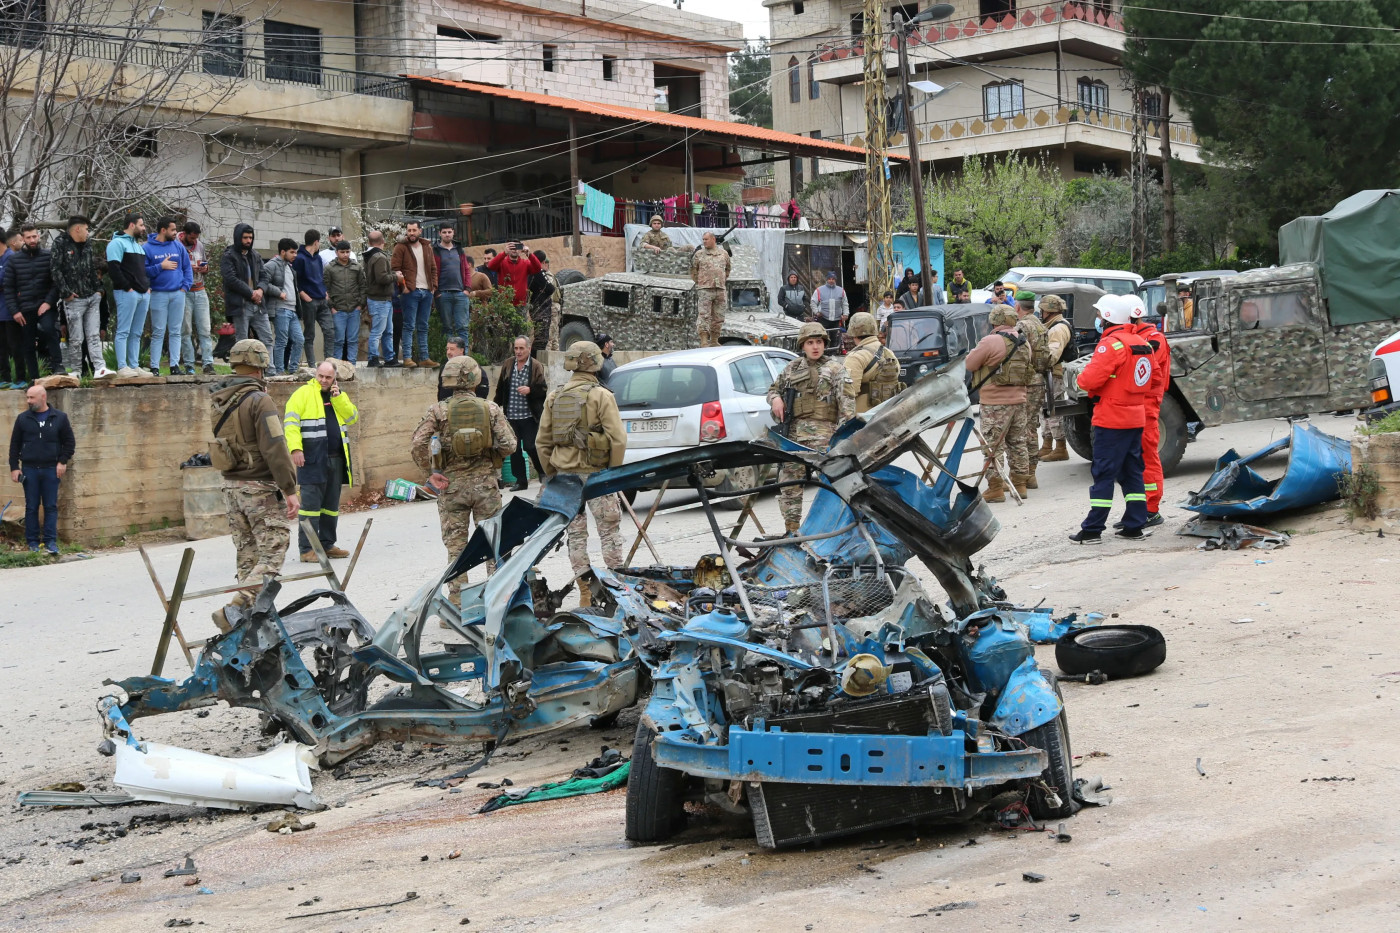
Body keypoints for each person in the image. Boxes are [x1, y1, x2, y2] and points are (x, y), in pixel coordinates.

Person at [207, 339, 300, 629]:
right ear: (260, 364)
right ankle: (233, 609)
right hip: (258, 487)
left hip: (231, 488)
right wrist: (289, 488)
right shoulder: (259, 400)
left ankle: (248, 625)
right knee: (274, 550)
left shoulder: (219, 399)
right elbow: (275, 446)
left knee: (247, 559)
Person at [412, 355, 517, 606]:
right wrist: (492, 456)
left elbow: (418, 443)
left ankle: (457, 604)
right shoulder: (490, 408)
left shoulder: (438, 410)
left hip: (451, 487)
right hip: (485, 487)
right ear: (474, 378)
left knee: (456, 548)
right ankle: (496, 600)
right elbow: (510, 445)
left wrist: (431, 473)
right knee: (493, 542)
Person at [536, 340, 627, 606]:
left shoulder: (555, 396)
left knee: (576, 536)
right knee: (609, 533)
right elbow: (618, 439)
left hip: (566, 477)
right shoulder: (602, 396)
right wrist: (614, 472)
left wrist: (554, 472)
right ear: (595, 362)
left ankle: (586, 593)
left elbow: (542, 443)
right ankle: (616, 591)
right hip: (597, 474)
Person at [1068, 295, 1153, 544]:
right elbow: (1153, 378)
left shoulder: (1111, 345)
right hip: (1136, 416)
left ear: (1107, 318)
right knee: (1133, 472)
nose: (1096, 319)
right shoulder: (1143, 343)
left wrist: (1094, 384)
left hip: (1111, 419)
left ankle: (1093, 529)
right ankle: (1134, 525)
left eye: (1098, 315)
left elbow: (1088, 381)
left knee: (1104, 474)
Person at [767, 322, 855, 533]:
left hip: (826, 437)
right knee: (789, 485)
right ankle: (792, 530)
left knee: (833, 486)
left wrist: (842, 441)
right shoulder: (792, 368)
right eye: (810, 343)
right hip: (794, 436)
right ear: (803, 345)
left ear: (824, 344)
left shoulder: (836, 369)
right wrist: (775, 399)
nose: (815, 347)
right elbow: (772, 389)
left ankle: (833, 529)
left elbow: (847, 408)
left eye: (818, 342)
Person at [285, 360, 358, 561]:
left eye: (328, 377)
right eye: (321, 376)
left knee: (330, 505)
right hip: (311, 457)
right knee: (310, 505)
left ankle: (327, 544)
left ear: (334, 378)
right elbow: (290, 423)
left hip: (335, 457)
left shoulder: (338, 396)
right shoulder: (302, 394)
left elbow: (352, 417)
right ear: (315, 375)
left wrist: (339, 398)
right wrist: (295, 448)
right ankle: (307, 549)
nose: (324, 380)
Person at [964, 305, 1033, 503]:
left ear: (995, 320)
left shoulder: (990, 341)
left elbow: (970, 364)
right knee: (1018, 443)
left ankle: (995, 488)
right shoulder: (1023, 342)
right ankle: (1020, 484)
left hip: (995, 402)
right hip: (1019, 401)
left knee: (993, 446)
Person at [9, 384, 74, 555]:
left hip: (51, 470)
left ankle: (50, 542)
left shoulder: (59, 418)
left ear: (43, 397)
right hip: (29, 470)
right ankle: (32, 542)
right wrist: (14, 467)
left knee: (50, 506)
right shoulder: (23, 419)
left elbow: (69, 443)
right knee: (31, 507)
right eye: (27, 398)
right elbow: (14, 445)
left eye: (32, 397)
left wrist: (62, 461)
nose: (28, 401)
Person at [1125, 294, 1169, 528]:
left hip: (1146, 407)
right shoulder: (1133, 337)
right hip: (1133, 407)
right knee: (1132, 461)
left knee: (1147, 458)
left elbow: (1143, 373)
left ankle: (1151, 509)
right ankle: (1136, 510)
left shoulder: (1153, 340)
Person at [49, 215, 108, 379]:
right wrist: (66, 292)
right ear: (77, 228)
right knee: (76, 338)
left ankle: (100, 368)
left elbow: (91, 268)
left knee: (94, 336)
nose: (88, 232)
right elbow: (55, 270)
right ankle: (76, 370)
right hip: (74, 300)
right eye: (86, 229)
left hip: (91, 297)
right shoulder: (60, 243)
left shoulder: (88, 244)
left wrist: (98, 290)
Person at [3, 224, 60, 382]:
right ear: (23, 239)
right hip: (25, 308)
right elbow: (9, 287)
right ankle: (34, 378)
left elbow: (56, 283)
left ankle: (58, 367)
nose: (32, 240)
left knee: (50, 330)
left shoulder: (49, 256)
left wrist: (48, 302)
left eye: (34, 236)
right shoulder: (14, 260)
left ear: (39, 236)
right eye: (28, 237)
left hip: (45, 305)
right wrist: (15, 311)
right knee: (27, 344)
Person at [494, 335, 547, 490]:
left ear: (529, 349)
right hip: (511, 415)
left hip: (529, 415)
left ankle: (543, 472)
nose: (518, 351)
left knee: (531, 446)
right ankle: (521, 481)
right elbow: (501, 388)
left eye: (521, 348)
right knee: (514, 449)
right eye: (516, 348)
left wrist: (530, 390)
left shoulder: (536, 366)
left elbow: (543, 389)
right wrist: (496, 406)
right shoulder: (508, 364)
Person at [1012, 290, 1052, 490]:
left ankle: (1025, 472)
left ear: (1018, 307)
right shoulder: (1040, 324)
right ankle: (1032, 474)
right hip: (1040, 379)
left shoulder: (1021, 326)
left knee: (1022, 428)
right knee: (1031, 426)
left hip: (1026, 381)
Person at [143, 216, 192, 375]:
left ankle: (174, 366)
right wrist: (161, 266)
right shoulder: (148, 248)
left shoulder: (178, 246)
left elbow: (187, 268)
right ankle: (155, 367)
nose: (176, 233)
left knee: (175, 331)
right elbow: (144, 272)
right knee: (158, 331)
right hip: (158, 294)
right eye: (173, 230)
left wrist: (184, 287)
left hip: (178, 294)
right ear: (163, 230)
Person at [391, 221, 438, 368]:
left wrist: (433, 287)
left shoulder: (427, 247)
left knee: (423, 326)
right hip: (410, 292)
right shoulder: (400, 247)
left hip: (427, 291)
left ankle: (424, 358)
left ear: (420, 231)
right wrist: (403, 287)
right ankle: (407, 358)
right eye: (409, 230)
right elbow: (395, 270)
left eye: (414, 230)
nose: (411, 233)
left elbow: (433, 268)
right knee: (409, 325)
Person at [1037, 294, 1074, 463]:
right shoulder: (1053, 326)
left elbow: (1051, 355)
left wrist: (1037, 363)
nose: (1041, 313)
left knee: (1053, 409)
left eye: (1042, 310)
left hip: (1055, 374)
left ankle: (1060, 447)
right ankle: (1047, 444)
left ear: (1048, 311)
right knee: (1046, 409)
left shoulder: (1057, 329)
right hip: (1051, 374)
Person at [260, 238, 304, 375]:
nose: (295, 255)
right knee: (281, 341)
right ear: (283, 251)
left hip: (292, 309)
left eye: (296, 252)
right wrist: (279, 293)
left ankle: (292, 370)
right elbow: (263, 283)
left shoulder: (289, 267)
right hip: (280, 308)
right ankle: (279, 371)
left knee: (299, 340)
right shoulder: (271, 265)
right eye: (292, 252)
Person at [844, 312, 902, 413]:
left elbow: (848, 393)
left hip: (863, 417)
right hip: (889, 412)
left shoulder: (855, 357)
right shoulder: (889, 353)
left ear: (853, 332)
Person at [177, 222, 214, 374]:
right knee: (186, 330)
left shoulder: (199, 245)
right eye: (192, 238)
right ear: (184, 233)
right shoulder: (176, 245)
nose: (194, 241)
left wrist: (205, 268)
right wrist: (188, 268)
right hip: (184, 291)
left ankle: (208, 364)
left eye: (196, 238)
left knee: (205, 329)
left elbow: (206, 263)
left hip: (200, 290)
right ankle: (189, 364)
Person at [221, 222, 265, 348]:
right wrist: (251, 293)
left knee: (266, 339)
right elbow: (231, 279)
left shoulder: (255, 255)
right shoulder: (229, 256)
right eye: (245, 237)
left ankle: (270, 368)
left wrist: (260, 290)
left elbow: (264, 275)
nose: (248, 241)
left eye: (250, 238)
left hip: (258, 304)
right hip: (240, 305)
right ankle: (241, 367)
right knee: (242, 342)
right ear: (238, 237)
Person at [293, 230, 333, 369]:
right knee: (309, 334)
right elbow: (295, 280)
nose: (319, 244)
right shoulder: (299, 258)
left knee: (330, 331)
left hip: (322, 299)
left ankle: (329, 364)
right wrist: (303, 295)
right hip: (309, 301)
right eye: (319, 242)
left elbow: (320, 277)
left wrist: (325, 292)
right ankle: (311, 365)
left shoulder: (318, 258)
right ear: (316, 242)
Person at [324, 242, 365, 363]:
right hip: (338, 309)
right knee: (338, 341)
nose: (345, 255)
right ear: (337, 252)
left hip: (354, 309)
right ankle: (336, 368)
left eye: (347, 252)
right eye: (342, 252)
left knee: (353, 340)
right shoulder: (330, 268)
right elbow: (325, 288)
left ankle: (352, 367)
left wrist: (360, 304)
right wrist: (332, 307)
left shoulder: (357, 267)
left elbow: (363, 286)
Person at [690, 231, 730, 347]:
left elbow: (727, 269)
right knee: (704, 315)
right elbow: (693, 270)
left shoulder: (723, 254)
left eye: (706, 239)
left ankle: (714, 340)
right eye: (703, 239)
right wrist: (701, 282)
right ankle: (703, 341)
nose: (704, 241)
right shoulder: (699, 254)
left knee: (719, 316)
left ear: (713, 239)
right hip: (705, 289)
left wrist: (722, 280)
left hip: (720, 289)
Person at [362, 230, 395, 367]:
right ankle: (373, 358)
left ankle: (389, 358)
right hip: (380, 299)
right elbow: (382, 278)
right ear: (383, 242)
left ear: (369, 242)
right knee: (378, 331)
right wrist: (396, 277)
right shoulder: (380, 257)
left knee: (387, 331)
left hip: (379, 299)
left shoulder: (369, 256)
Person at [433, 224, 469, 345]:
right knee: (447, 328)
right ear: (440, 234)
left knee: (463, 328)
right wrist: (436, 292)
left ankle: (464, 358)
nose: (447, 234)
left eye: (449, 232)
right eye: (444, 232)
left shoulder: (459, 249)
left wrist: (467, 289)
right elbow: (431, 271)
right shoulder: (435, 250)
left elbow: (466, 269)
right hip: (443, 294)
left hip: (460, 293)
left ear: (453, 233)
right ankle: (449, 358)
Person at [486, 241, 540, 313]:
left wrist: (529, 254)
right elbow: (491, 266)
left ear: (521, 249)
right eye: (512, 247)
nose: (514, 250)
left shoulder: (525, 263)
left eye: (517, 247)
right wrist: (504, 253)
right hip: (505, 303)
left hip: (520, 304)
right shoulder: (502, 262)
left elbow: (538, 268)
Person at [436, 336, 489, 402]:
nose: (448, 352)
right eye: (447, 349)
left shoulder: (472, 366)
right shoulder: (444, 368)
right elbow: (441, 391)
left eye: (452, 349)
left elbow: (483, 389)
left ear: (461, 350)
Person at [527, 250, 558, 355]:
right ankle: (535, 361)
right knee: (541, 339)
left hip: (538, 308)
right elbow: (550, 289)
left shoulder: (532, 271)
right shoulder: (537, 272)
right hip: (540, 308)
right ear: (543, 261)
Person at [0, 229, 20, 387]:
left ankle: (20, 379)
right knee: (1, 347)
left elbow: (6, 282)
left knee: (14, 345)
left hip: (11, 310)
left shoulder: (10, 258)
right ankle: (4, 378)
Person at [810, 270, 849, 340]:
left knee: (835, 339)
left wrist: (846, 314)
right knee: (822, 339)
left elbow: (845, 304)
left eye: (833, 279)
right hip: (823, 319)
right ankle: (824, 351)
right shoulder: (819, 290)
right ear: (827, 279)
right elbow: (813, 302)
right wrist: (816, 312)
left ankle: (833, 351)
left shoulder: (841, 291)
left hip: (836, 320)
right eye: (829, 279)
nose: (831, 280)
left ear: (835, 280)